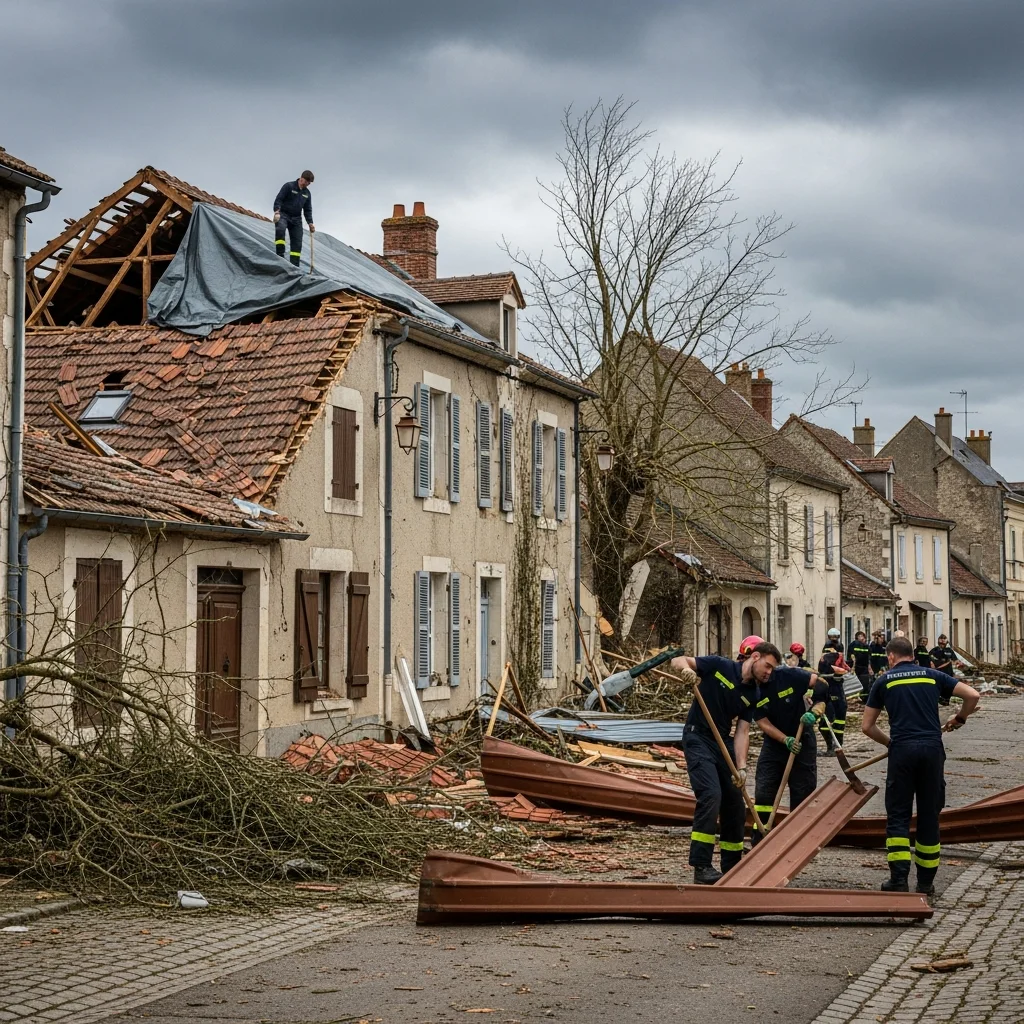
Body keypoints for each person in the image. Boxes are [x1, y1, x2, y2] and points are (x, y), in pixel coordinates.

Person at [861, 636, 980, 894]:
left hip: (902, 751)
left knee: (899, 815)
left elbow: (867, 726)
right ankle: (925, 883)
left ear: (891, 657)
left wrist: (890, 743)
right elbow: (973, 695)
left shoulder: (884, 681)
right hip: (931, 749)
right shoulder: (932, 676)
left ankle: (899, 880)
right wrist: (960, 717)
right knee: (928, 816)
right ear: (913, 655)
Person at [670, 642, 782, 884]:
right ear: (755, 657)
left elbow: (742, 732)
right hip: (697, 736)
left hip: (722, 743)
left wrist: (741, 767)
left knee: (735, 803)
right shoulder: (719, 666)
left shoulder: (753, 693)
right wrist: (686, 671)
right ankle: (701, 866)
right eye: (768, 666)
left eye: (773, 670)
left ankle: (732, 865)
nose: (769, 673)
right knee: (711, 795)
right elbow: (678, 660)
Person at [751, 665, 829, 842]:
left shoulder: (788, 675)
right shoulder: (750, 689)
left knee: (803, 792)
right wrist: (785, 739)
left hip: (803, 738)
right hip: (774, 744)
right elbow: (762, 722)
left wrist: (816, 709)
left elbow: (822, 684)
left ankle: (797, 840)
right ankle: (761, 838)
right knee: (764, 793)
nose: (766, 672)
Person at [273, 171, 315, 266]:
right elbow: (279, 199)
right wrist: (277, 211)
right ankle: (280, 257)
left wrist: (310, 223)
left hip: (296, 219)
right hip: (283, 214)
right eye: (307, 182)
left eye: (309, 183)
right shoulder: (289, 186)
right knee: (280, 229)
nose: (307, 184)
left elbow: (307, 209)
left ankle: (294, 266)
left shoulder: (307, 193)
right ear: (301, 178)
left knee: (297, 242)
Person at [817, 647, 850, 753]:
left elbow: (844, 670)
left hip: (836, 693)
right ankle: (831, 746)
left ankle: (836, 746)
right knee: (825, 722)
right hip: (830, 693)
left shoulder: (833, 663)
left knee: (838, 722)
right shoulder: (825, 664)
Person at [930, 635, 956, 706]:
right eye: (941, 641)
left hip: (948, 672)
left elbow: (954, 660)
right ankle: (938, 699)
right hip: (938, 672)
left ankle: (946, 700)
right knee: (938, 686)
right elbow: (930, 660)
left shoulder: (949, 651)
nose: (942, 643)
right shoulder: (934, 650)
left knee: (948, 687)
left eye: (944, 641)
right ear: (938, 642)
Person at [849, 630, 872, 700]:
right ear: (856, 638)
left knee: (865, 684)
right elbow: (850, 656)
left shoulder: (867, 646)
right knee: (855, 685)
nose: (862, 638)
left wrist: (869, 668)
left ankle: (864, 698)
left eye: (863, 636)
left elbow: (869, 658)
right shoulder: (853, 645)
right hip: (855, 668)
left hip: (864, 668)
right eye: (860, 636)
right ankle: (855, 699)